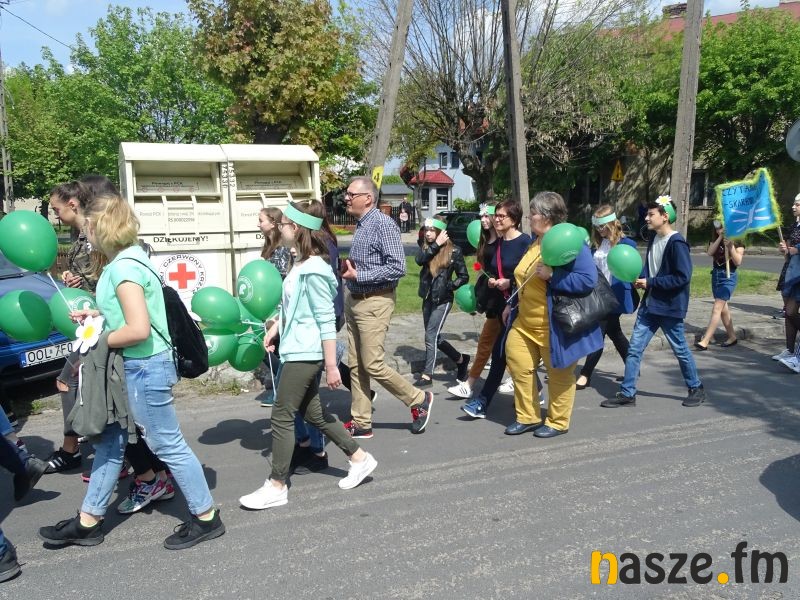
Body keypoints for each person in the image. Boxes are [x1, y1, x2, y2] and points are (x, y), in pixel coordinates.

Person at [39, 192, 225, 550]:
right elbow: (138, 314)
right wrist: (98, 315)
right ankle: (88, 522)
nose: (85, 233)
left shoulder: (122, 268)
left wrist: (100, 338)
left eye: (88, 226)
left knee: (167, 444)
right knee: (111, 441)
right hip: (137, 367)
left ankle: (206, 517)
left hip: (143, 368)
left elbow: (138, 329)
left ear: (99, 226)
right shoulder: (133, 259)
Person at [239, 202, 377, 510]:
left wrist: (331, 365)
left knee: (281, 414)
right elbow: (294, 307)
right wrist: (276, 328)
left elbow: (325, 319)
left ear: (297, 228)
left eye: (285, 223)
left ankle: (277, 485)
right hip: (295, 347)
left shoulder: (314, 269)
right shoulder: (299, 263)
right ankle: (359, 457)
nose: (280, 227)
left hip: (306, 351)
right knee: (313, 414)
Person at [503, 192, 603, 437]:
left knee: (559, 375)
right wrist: (511, 302)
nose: (529, 217)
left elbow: (587, 280)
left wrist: (554, 276)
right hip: (524, 321)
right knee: (518, 364)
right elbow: (525, 276)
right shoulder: (535, 241)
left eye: (533, 213)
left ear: (547, 217)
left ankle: (558, 422)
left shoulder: (570, 242)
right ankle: (528, 416)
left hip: (554, 326)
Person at [341, 176, 433, 438]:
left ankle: (418, 399)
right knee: (356, 364)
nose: (346, 198)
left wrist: (360, 276)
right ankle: (361, 421)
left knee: (372, 364)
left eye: (351, 194)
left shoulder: (383, 224)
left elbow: (397, 267)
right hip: (355, 300)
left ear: (368, 198)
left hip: (375, 301)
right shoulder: (362, 224)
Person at [601, 196, 706, 409]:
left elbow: (682, 277)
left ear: (665, 217)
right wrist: (641, 279)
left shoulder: (677, 243)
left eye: (651, 214)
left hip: (669, 307)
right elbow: (652, 269)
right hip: (650, 305)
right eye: (647, 214)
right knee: (634, 349)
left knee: (680, 349)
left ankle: (696, 387)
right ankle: (628, 393)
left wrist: (650, 282)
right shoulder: (654, 238)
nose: (646, 218)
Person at [460, 200, 532, 419]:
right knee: (504, 353)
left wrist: (509, 282)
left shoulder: (525, 242)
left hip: (521, 306)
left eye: (502, 216)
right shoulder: (499, 243)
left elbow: (530, 275)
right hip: (503, 305)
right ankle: (532, 393)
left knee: (501, 353)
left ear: (514, 220)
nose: (496, 219)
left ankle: (483, 401)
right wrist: (494, 281)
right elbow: (495, 269)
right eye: (496, 215)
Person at [575, 205, 638, 389]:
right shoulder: (598, 244)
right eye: (596, 226)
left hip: (614, 296)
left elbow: (633, 268)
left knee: (598, 333)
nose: (599, 230)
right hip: (598, 294)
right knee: (615, 333)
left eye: (602, 226)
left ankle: (585, 374)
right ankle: (632, 367)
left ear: (612, 223)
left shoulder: (627, 244)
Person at [448, 204, 503, 398]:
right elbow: (482, 270)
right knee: (490, 344)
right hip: (490, 298)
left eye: (487, 216)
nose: (484, 220)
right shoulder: (484, 241)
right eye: (482, 217)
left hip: (503, 299)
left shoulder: (503, 242)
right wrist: (477, 298)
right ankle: (469, 384)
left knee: (495, 345)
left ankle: (470, 384)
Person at [415, 217, 470, 386]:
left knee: (430, 335)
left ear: (441, 232)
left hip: (443, 300)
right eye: (427, 230)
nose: (428, 234)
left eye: (432, 230)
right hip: (427, 297)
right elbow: (419, 260)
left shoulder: (455, 251)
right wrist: (435, 245)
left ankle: (427, 374)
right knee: (434, 337)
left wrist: (449, 286)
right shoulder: (426, 248)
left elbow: (464, 276)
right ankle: (461, 360)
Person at [694, 220, 745, 351]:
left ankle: (705, 340)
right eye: (717, 229)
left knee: (717, 307)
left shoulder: (738, 242)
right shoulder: (715, 240)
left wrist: (731, 246)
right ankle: (732, 337)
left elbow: (738, 261)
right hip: (716, 275)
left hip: (729, 277)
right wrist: (720, 237)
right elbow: (710, 252)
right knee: (723, 309)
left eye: (722, 228)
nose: (719, 230)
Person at [773, 194, 800, 367]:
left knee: (791, 312)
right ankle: (790, 350)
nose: (793, 207)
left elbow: (796, 249)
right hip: (790, 271)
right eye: (794, 204)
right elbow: (788, 252)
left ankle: (796, 356)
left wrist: (797, 249)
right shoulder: (794, 226)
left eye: (797, 204)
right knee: (788, 313)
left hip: (798, 274)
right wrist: (785, 250)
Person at [259, 207, 292, 277]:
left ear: (272, 224)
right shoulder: (268, 246)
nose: (258, 225)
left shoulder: (284, 249)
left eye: (261, 221)